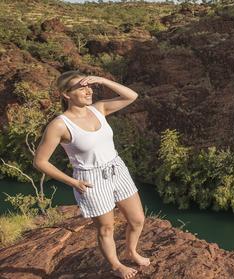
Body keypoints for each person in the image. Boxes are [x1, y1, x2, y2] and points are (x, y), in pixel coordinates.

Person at [33, 71, 150, 279]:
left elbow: (131, 96)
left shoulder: (99, 109)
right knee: (106, 228)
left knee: (138, 219)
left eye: (89, 86)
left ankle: (131, 251)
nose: (88, 90)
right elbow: (40, 161)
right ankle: (116, 265)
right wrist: (73, 182)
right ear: (66, 94)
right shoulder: (60, 125)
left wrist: (103, 80)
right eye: (81, 87)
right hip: (90, 179)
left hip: (117, 168)